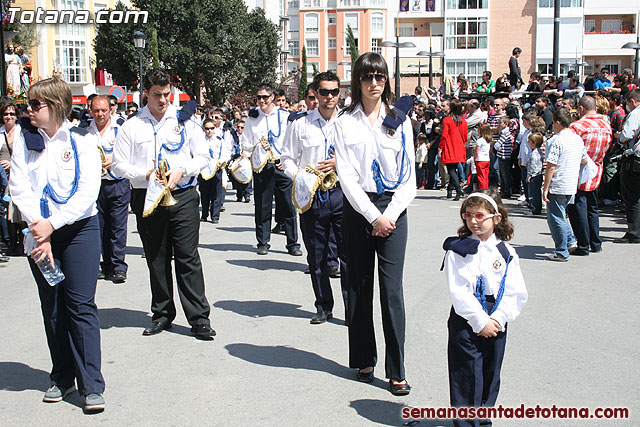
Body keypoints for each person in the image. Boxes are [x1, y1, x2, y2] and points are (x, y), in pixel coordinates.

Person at [9, 77, 106, 411]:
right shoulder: (25, 139)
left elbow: (86, 194)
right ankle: (62, 376)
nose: (29, 111)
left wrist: (51, 225)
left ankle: (91, 384)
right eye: (29, 105)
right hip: (39, 233)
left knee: (80, 305)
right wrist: (41, 230)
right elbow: (19, 186)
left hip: (79, 231)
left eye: (37, 105)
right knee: (52, 307)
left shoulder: (82, 139)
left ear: (57, 106)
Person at [112, 69, 216, 339]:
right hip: (147, 197)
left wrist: (183, 169)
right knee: (156, 258)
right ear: (145, 94)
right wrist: (145, 174)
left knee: (187, 257)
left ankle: (199, 318)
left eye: (167, 94)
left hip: (182, 196)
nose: (163, 99)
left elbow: (203, 155)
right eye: (157, 94)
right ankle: (162, 313)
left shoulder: (186, 121)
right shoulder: (132, 126)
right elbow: (118, 164)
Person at [334, 52, 416, 395]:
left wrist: (389, 215)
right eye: (367, 77)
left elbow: (410, 176)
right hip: (359, 209)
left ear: (387, 80)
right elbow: (347, 176)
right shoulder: (344, 121)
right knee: (359, 287)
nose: (373, 83)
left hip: (393, 209)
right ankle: (364, 358)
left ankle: (396, 369)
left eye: (379, 77)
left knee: (392, 292)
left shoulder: (400, 119)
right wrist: (372, 216)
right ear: (358, 81)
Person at [443, 191, 527, 427]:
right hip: (467, 316)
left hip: (496, 313)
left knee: (491, 373)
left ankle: (482, 419)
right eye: (468, 215)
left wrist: (498, 319)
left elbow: (514, 290)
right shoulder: (459, 249)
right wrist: (480, 321)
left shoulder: (506, 252)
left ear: (496, 218)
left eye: (480, 215)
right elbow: (459, 291)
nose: (473, 221)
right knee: (467, 374)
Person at [281, 71, 348, 324]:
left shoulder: (349, 122)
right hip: (313, 194)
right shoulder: (301, 124)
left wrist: (339, 164)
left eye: (334, 92)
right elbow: (286, 158)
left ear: (339, 93)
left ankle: (352, 307)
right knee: (317, 254)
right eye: (324, 92)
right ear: (315, 94)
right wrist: (300, 176)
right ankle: (323, 305)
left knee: (348, 256)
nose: (329, 97)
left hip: (343, 193)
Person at [240, 84, 302, 256]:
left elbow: (293, 141)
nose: (261, 101)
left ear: (273, 97)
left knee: (288, 206)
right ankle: (263, 242)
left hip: (281, 165)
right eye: (259, 97)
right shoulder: (253, 118)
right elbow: (244, 142)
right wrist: (257, 145)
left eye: (265, 97)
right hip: (262, 166)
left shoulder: (285, 115)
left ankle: (293, 243)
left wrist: (288, 160)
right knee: (262, 206)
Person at [89, 95, 130, 283]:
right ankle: (104, 266)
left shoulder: (121, 128)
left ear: (110, 110)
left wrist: (115, 160)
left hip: (117, 182)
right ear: (90, 110)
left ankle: (118, 266)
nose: (100, 114)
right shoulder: (84, 131)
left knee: (118, 226)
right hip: (95, 185)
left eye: (103, 110)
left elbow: (131, 153)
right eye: (96, 110)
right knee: (100, 226)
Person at [567, 96, 612, 254]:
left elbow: (571, 148)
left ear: (581, 108)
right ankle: (596, 242)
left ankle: (583, 245)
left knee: (578, 208)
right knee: (592, 208)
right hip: (596, 169)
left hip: (579, 170)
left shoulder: (577, 126)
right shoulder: (606, 125)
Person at [543, 108, 587, 261]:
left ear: (558, 122)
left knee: (556, 218)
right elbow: (584, 159)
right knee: (562, 215)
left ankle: (561, 251)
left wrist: (545, 188)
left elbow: (551, 166)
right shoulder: (577, 139)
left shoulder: (557, 140)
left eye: (554, 123)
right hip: (571, 183)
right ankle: (569, 241)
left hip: (559, 183)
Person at [615, 89, 640, 243]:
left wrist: (619, 136)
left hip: (634, 158)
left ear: (633, 101)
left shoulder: (635, 114)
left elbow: (626, 135)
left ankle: (634, 232)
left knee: (631, 197)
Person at [199, 117, 231, 223]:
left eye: (211, 128)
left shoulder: (219, 140)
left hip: (216, 168)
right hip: (204, 170)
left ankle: (215, 216)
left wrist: (222, 161)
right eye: (207, 128)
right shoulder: (199, 140)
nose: (209, 131)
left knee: (216, 193)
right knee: (204, 193)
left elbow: (225, 153)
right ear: (203, 129)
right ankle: (204, 214)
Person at [440, 99, 468, 200]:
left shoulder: (447, 120)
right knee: (454, 168)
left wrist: (441, 147)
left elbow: (444, 135)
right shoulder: (463, 121)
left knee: (451, 169)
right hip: (459, 146)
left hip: (449, 145)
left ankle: (458, 189)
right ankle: (450, 188)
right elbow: (465, 137)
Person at [526, 132, 545, 215]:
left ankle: (535, 207)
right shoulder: (539, 151)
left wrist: (529, 175)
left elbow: (533, 166)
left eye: (529, 141)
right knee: (537, 192)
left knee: (534, 192)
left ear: (534, 143)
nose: (528, 142)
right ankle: (537, 207)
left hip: (534, 175)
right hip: (539, 174)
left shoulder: (534, 154)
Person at [474, 124, 492, 190]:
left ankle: (483, 190)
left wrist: (475, 158)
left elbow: (477, 151)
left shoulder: (480, 140)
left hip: (480, 160)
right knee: (485, 176)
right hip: (487, 159)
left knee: (481, 177)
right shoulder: (488, 140)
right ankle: (486, 188)